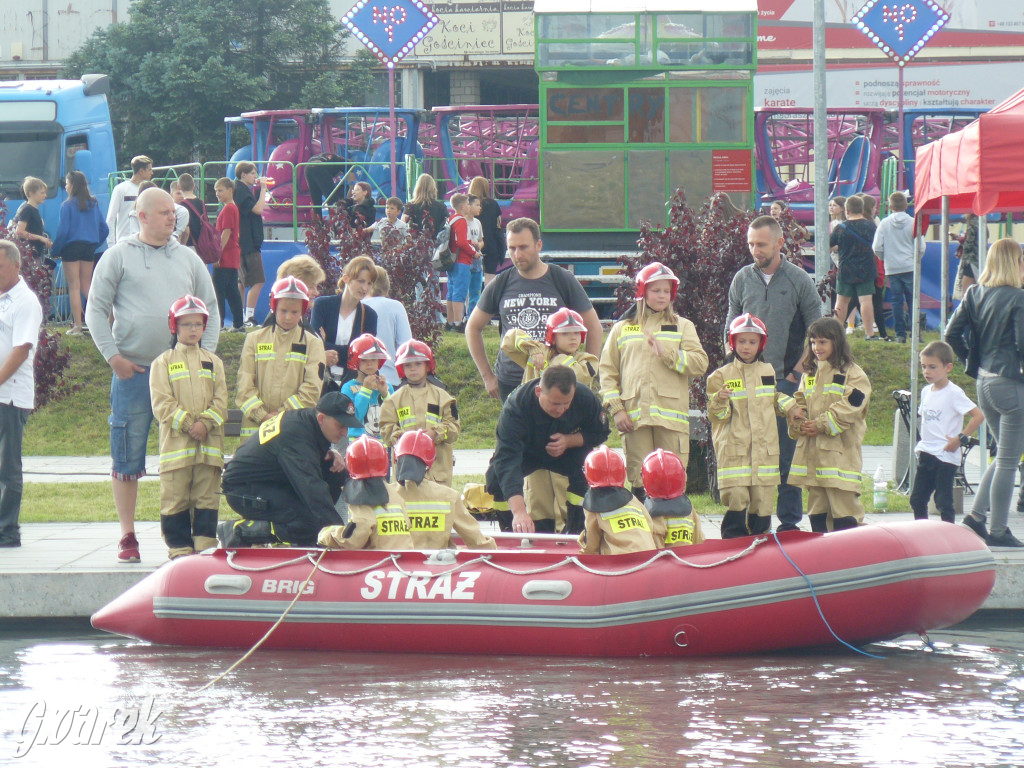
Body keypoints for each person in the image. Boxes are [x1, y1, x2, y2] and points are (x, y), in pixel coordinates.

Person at [86, 187, 220, 563]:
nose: (171, 217)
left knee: (189, 455)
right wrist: (113, 358)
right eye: (163, 212)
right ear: (141, 216)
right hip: (134, 372)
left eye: (173, 212)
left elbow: (210, 307)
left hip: (185, 377)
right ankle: (127, 535)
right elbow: (95, 310)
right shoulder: (118, 257)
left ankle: (190, 535)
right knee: (127, 455)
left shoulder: (189, 259)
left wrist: (204, 358)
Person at [727, 214, 821, 532]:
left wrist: (796, 372)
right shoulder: (741, 279)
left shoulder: (799, 280)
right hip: (747, 381)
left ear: (780, 243)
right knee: (753, 453)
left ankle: (790, 523)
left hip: (785, 379)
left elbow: (816, 328)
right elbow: (731, 326)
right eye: (751, 244)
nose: (755, 250)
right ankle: (756, 520)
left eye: (762, 244)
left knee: (786, 455)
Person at [599, 262, 709, 501]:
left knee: (670, 481)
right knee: (639, 482)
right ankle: (642, 536)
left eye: (666, 291)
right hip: (634, 420)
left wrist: (668, 355)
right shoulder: (621, 329)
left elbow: (701, 364)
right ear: (642, 292)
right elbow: (607, 373)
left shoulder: (683, 326)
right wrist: (617, 410)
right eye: (656, 290)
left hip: (671, 421)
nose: (662, 296)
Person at [466, 217, 603, 402]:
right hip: (512, 382)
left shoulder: (562, 279)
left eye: (523, 247)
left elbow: (594, 327)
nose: (517, 254)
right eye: (512, 248)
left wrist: (588, 374)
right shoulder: (501, 282)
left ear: (539, 245)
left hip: (556, 381)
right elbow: (472, 328)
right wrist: (487, 377)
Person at [947, 238, 1024, 548]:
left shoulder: (974, 293)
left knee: (1003, 454)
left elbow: (952, 334)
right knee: (1008, 459)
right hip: (1010, 383)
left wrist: (970, 362)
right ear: (1014, 262)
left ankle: (976, 517)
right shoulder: (1018, 298)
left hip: (983, 382)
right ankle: (997, 529)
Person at [500, 307, 598, 528]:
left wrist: (547, 358)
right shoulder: (536, 353)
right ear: (552, 335)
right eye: (565, 333)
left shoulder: (587, 360)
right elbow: (508, 340)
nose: (573, 337)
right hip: (534, 439)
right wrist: (532, 346)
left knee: (568, 498)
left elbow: (573, 375)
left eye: (577, 333)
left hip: (565, 443)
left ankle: (571, 536)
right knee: (537, 498)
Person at [484, 365, 611, 535]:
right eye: (555, 403)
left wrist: (570, 440)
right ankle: (511, 530)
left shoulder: (584, 397)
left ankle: (577, 530)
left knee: (588, 468)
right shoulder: (515, 408)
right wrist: (520, 512)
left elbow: (600, 431)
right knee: (496, 477)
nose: (560, 409)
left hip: (567, 452)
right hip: (527, 453)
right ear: (538, 392)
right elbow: (507, 460)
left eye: (567, 404)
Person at [219, 392, 358, 548]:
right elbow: (311, 488)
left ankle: (314, 538)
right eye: (341, 425)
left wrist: (329, 453)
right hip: (243, 489)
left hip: (274, 481)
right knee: (308, 521)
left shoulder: (309, 422)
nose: (345, 432)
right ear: (321, 418)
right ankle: (242, 531)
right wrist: (337, 534)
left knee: (336, 471)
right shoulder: (295, 434)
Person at [150, 296, 227, 559]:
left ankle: (205, 549)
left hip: (209, 449)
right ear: (174, 326)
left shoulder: (214, 361)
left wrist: (205, 424)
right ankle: (179, 550)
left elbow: (221, 400)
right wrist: (187, 424)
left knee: (207, 499)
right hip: (176, 449)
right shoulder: (163, 362)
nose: (193, 329)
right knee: (175, 500)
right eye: (186, 324)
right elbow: (162, 403)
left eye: (198, 324)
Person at [708, 313, 788, 538]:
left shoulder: (767, 371)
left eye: (752, 342)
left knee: (762, 502)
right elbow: (717, 417)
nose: (746, 347)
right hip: (736, 453)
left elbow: (773, 399)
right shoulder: (720, 376)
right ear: (732, 342)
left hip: (764, 454)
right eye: (741, 341)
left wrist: (791, 408)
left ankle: (761, 553)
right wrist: (720, 400)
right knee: (737, 499)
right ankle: (733, 547)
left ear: (761, 344)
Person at [788, 317, 871, 532]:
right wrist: (800, 418)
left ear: (837, 342)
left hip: (840, 460)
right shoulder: (810, 373)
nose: (816, 347)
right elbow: (801, 399)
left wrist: (820, 425)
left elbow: (850, 408)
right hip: (815, 461)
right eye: (813, 342)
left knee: (845, 517)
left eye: (823, 342)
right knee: (818, 516)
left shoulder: (854, 375)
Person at [236, 276, 325, 443]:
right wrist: (261, 416)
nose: (288, 317)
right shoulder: (254, 340)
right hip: (254, 435)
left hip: (293, 432)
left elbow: (312, 389)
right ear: (273, 307)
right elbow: (244, 384)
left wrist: (282, 416)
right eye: (283, 311)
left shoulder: (313, 344)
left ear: (303, 311)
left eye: (294, 312)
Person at [910, 341, 984, 525]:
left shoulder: (954, 393)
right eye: (924, 366)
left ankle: (948, 534)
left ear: (948, 367)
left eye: (933, 367)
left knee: (943, 501)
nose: (927, 371)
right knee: (917, 499)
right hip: (927, 452)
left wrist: (961, 438)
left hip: (946, 454)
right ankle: (922, 531)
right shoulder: (926, 391)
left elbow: (978, 416)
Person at [0, 240, 43, 548]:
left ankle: (7, 531)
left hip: (10, 397)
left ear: (16, 265)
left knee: (7, 465)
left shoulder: (24, 301)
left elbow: (21, 350)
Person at [389, 430, 496, 550]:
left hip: (392, 565)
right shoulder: (449, 496)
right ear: (430, 462)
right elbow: (478, 542)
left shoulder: (386, 496)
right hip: (437, 565)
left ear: (396, 458)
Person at [379, 340, 460, 486]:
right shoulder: (393, 400)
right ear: (401, 368)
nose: (413, 369)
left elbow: (454, 428)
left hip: (437, 472)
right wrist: (402, 438)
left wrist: (436, 433)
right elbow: (386, 428)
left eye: (418, 364)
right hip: (406, 471)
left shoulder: (444, 398)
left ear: (428, 366)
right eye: (408, 365)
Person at [317, 435, 414, 551]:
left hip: (380, 562)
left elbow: (352, 539)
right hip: (404, 560)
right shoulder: (394, 494)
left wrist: (326, 534)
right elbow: (408, 524)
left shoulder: (362, 497)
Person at [51, 170, 108, 336]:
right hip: (89, 247)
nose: (66, 186)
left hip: (71, 248)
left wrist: (56, 250)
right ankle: (97, 323)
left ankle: (77, 326)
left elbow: (63, 232)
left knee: (74, 286)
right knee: (87, 285)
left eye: (67, 183)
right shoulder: (94, 204)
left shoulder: (67, 206)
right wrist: (94, 242)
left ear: (73, 185)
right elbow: (104, 228)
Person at [310, 255, 379, 387]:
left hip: (351, 385)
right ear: (346, 279)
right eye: (361, 281)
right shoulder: (322, 305)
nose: (365, 288)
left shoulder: (370, 315)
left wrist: (327, 347)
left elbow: (365, 356)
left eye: (369, 283)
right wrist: (349, 351)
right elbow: (313, 344)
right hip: (321, 380)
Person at [579, 446, 658, 555]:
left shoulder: (593, 506)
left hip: (621, 564)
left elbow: (591, 545)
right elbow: (650, 526)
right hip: (649, 557)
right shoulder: (632, 500)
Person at [830, 195, 879, 342]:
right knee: (866, 301)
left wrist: (839, 247)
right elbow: (876, 246)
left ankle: (836, 334)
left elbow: (830, 246)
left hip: (845, 269)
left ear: (847, 210)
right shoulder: (871, 226)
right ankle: (869, 333)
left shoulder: (840, 228)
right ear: (862, 209)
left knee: (841, 302)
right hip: (866, 268)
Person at [873, 191, 916, 344]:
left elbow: (877, 246)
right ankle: (916, 333)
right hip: (910, 265)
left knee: (896, 301)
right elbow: (921, 246)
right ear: (906, 205)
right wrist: (915, 259)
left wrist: (885, 259)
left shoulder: (884, 223)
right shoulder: (913, 222)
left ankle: (900, 334)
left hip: (892, 267)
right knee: (913, 300)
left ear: (890, 206)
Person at [642, 449, 704, 548]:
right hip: (689, 560)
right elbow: (699, 542)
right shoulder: (690, 510)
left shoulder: (652, 515)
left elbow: (653, 551)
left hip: (663, 562)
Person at [362, 265, 412, 388]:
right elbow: (406, 345)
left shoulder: (358, 306)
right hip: (390, 379)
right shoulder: (396, 306)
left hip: (361, 378)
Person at [233, 161, 268, 328]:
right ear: (243, 174)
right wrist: (263, 189)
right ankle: (249, 317)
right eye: (253, 173)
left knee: (242, 282)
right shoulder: (241, 191)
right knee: (258, 280)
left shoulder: (239, 189)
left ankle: (240, 316)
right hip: (248, 244)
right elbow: (258, 210)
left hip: (242, 242)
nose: (255, 177)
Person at [341, 333, 393, 443]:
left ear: (379, 361)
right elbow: (354, 418)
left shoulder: (386, 386)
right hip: (358, 443)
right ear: (355, 362)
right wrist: (365, 390)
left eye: (374, 359)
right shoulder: (348, 388)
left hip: (383, 445)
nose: (369, 363)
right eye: (364, 360)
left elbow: (393, 417)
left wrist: (385, 394)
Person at [213, 177, 244, 332]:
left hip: (226, 256)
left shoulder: (229, 209)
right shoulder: (232, 208)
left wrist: (218, 254)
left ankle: (218, 325)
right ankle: (238, 323)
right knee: (232, 291)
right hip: (231, 256)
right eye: (216, 191)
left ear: (230, 190)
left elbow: (226, 231)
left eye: (220, 190)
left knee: (218, 291)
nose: (217, 194)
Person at [445, 193, 478, 332]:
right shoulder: (462, 221)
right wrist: (474, 252)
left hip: (451, 260)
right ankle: (458, 323)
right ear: (463, 206)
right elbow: (462, 242)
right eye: (468, 204)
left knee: (451, 291)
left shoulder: (451, 219)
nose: (469, 207)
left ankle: (450, 321)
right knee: (460, 291)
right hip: (462, 260)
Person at [106, 155, 153, 247]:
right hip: (125, 243)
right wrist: (111, 244)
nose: (152, 172)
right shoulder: (121, 189)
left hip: (145, 244)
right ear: (141, 171)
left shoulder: (150, 190)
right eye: (149, 170)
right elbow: (111, 218)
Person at [468, 176, 504, 286]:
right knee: (490, 278)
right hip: (491, 244)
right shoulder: (493, 204)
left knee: (471, 279)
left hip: (473, 246)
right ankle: (489, 302)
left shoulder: (468, 206)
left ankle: (471, 303)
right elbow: (499, 224)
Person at [12, 177, 51, 260]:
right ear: (31, 193)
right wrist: (40, 238)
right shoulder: (27, 209)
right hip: (30, 255)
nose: (45, 195)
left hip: (35, 253)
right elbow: (19, 232)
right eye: (42, 193)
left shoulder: (33, 209)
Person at [465, 194, 485, 316]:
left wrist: (479, 245)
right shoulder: (462, 221)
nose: (479, 208)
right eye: (477, 205)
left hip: (477, 260)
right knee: (463, 291)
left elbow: (482, 240)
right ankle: (461, 317)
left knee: (476, 290)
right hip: (466, 259)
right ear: (468, 206)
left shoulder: (477, 222)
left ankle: (472, 316)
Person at [175, 173, 206, 249]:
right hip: (202, 243)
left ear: (179, 187)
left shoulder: (181, 206)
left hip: (188, 244)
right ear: (194, 186)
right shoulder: (201, 203)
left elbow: (186, 229)